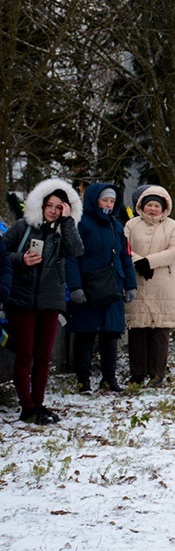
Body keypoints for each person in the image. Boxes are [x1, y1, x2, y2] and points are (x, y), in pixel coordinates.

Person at [2, 178, 82, 423]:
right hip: (22, 299)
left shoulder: (63, 231)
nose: (53, 211)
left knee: (44, 356)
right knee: (25, 354)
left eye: (59, 207)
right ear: (41, 204)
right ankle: (26, 406)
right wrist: (20, 259)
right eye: (50, 205)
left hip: (51, 299)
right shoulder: (22, 226)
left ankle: (38, 403)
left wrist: (68, 222)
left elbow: (76, 251)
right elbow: (2, 254)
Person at [66, 184, 138, 393]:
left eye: (111, 201)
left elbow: (125, 256)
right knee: (86, 336)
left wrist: (130, 284)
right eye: (104, 200)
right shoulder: (81, 224)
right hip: (90, 287)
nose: (108, 204)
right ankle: (83, 381)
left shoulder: (116, 226)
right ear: (93, 200)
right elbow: (72, 258)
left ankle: (109, 378)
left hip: (113, 286)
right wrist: (76, 286)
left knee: (111, 335)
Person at [123, 186, 175, 386]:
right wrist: (138, 261)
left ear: (163, 207)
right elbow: (125, 248)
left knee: (160, 329)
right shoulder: (131, 225)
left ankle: (157, 372)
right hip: (137, 281)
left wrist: (149, 262)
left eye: (156, 205)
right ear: (142, 205)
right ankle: (137, 372)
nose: (152, 209)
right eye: (149, 204)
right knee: (138, 328)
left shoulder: (172, 226)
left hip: (161, 284)